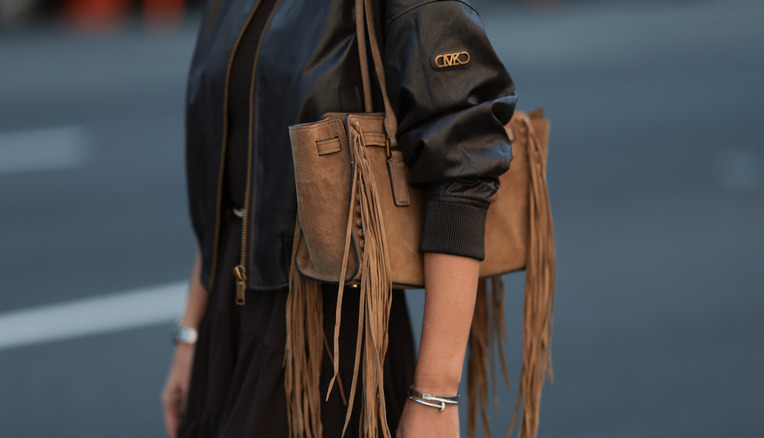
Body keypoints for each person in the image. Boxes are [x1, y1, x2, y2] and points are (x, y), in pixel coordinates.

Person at [161, 0, 517, 436]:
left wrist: (435, 396)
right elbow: (235, 179)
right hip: (226, 323)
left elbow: (463, 158)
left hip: (329, 342)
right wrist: (191, 334)